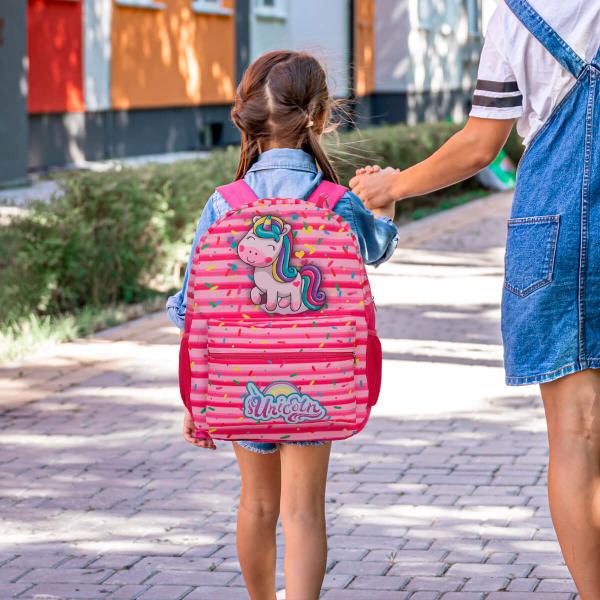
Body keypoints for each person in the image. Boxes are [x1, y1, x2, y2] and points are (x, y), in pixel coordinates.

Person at [350, 1, 600, 597]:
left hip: (554, 226)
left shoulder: (514, 16)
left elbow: (480, 144)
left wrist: (393, 184)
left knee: (575, 434)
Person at [167, 50, 398, 600]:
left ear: (248, 115)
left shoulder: (224, 204)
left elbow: (190, 306)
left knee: (257, 504)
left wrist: (196, 394)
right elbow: (375, 251)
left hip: (242, 381)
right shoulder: (335, 201)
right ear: (319, 116)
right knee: (302, 511)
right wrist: (385, 210)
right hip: (318, 381)